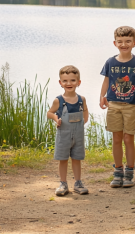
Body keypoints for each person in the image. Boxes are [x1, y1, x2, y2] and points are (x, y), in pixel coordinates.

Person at [99, 26, 135, 188]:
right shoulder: (110, 62)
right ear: (115, 43)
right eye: (120, 41)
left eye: (128, 41)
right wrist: (102, 96)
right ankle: (118, 170)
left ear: (134, 43)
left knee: (128, 138)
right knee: (117, 138)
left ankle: (130, 172)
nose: (124, 44)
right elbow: (106, 80)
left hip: (131, 105)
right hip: (113, 104)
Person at [47, 65, 89, 197]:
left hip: (78, 135)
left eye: (72, 80)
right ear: (60, 83)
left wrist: (85, 119)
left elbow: (86, 110)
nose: (69, 83)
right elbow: (49, 113)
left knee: (77, 158)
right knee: (63, 159)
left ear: (78, 82)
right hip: (64, 135)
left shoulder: (81, 99)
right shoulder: (58, 100)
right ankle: (63, 183)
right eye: (65, 81)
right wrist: (55, 118)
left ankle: (78, 183)